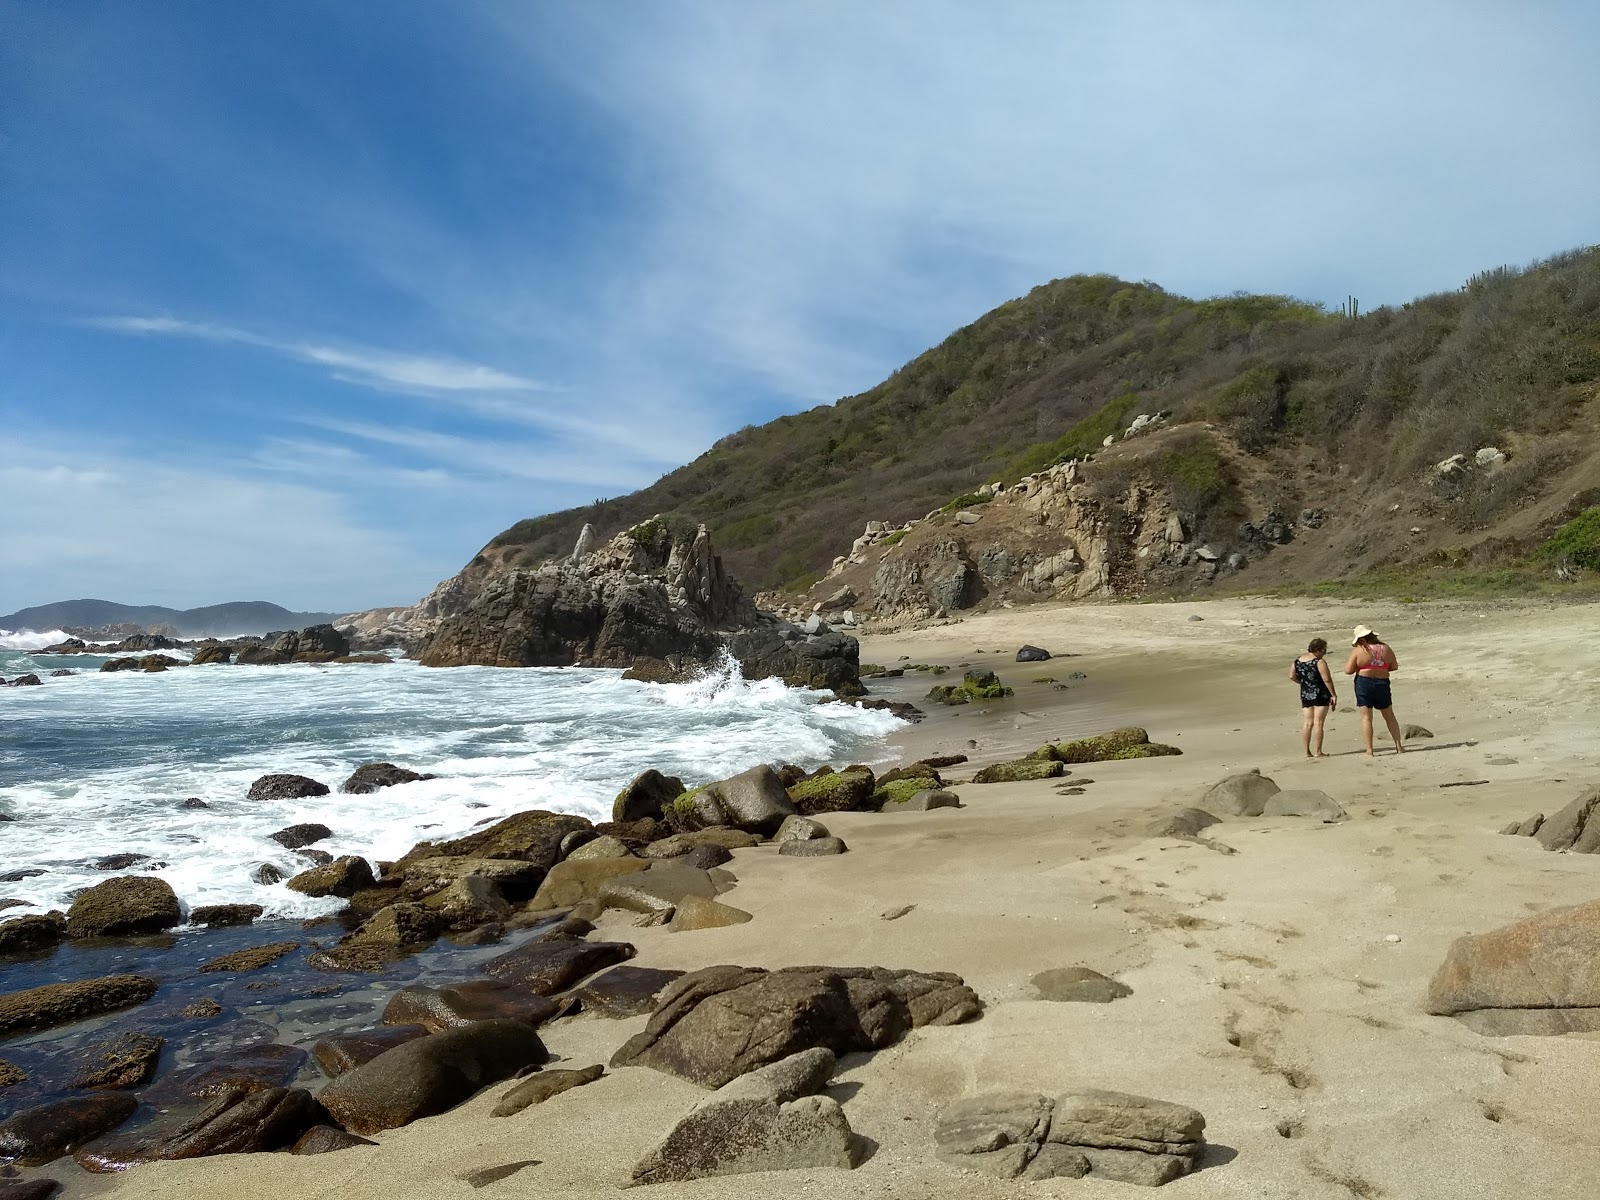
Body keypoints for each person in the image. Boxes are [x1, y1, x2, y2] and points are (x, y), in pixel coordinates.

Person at [1344, 625, 1404, 756]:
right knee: (1389, 715)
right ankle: (1398, 745)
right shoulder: (1385, 648)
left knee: (1366, 718)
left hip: (1364, 682)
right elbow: (1394, 666)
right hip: (1382, 682)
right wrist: (1380, 667)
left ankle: (1370, 750)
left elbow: (1348, 670)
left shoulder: (1359, 650)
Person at [1288, 638, 1337, 758]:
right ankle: (1319, 751)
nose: (1324, 653)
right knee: (1318, 723)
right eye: (1324, 650)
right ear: (1318, 650)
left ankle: (1306, 752)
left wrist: (1303, 683)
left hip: (1306, 693)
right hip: (1320, 693)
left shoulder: (1297, 661)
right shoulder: (1319, 662)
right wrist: (1333, 695)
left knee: (1307, 723)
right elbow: (1327, 679)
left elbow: (1291, 676)